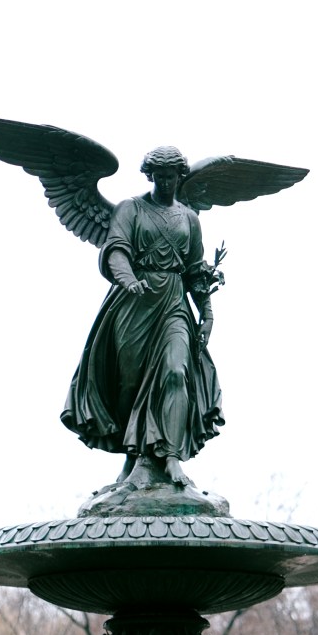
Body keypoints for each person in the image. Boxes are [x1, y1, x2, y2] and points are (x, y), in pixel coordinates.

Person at [61, 147, 223, 488]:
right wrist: (129, 279)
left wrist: (206, 311)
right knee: (129, 387)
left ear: (180, 177)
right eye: (159, 177)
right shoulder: (130, 209)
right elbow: (116, 249)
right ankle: (133, 462)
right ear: (150, 176)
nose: (166, 183)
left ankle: (171, 456)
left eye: (172, 177)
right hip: (133, 304)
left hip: (173, 304)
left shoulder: (189, 219)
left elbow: (195, 270)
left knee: (176, 373)